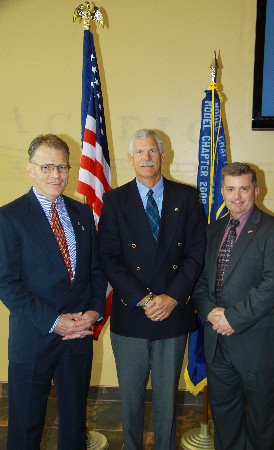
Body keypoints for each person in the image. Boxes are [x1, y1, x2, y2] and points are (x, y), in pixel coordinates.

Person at [98, 129, 206, 450]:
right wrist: (144, 299)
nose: (147, 158)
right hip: (131, 314)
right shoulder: (115, 200)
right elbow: (109, 257)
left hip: (172, 315)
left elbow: (195, 254)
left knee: (166, 401)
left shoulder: (186, 198)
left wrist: (172, 297)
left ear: (163, 156)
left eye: (152, 152)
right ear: (131, 159)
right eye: (140, 153)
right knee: (130, 401)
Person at [0, 134, 107, 450]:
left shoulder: (82, 213)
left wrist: (94, 311)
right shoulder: (10, 217)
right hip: (34, 336)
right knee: (26, 425)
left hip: (78, 336)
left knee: (75, 423)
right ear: (30, 169)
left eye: (62, 167)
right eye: (47, 166)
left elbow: (95, 272)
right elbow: (8, 284)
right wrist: (53, 321)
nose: (56, 175)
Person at [193, 162, 274, 450]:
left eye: (244, 189)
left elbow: (273, 284)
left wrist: (233, 319)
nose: (237, 196)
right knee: (226, 425)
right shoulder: (212, 231)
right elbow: (200, 281)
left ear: (256, 190)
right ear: (222, 192)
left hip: (261, 346)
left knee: (266, 429)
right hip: (218, 347)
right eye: (230, 189)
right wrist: (211, 312)